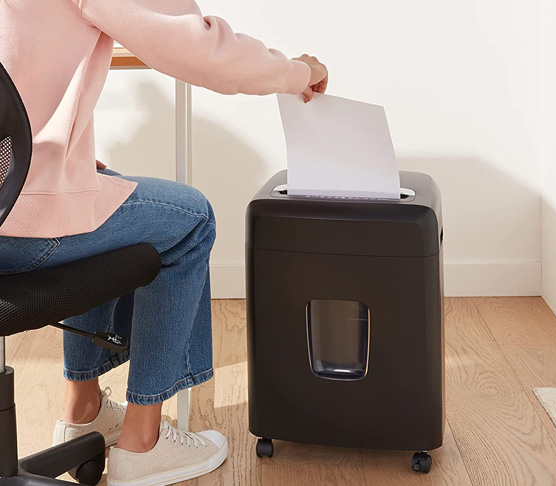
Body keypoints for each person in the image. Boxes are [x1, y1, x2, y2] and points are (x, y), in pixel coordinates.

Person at [0, 1, 328, 485]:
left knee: (100, 197)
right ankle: (143, 442)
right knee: (190, 220)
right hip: (17, 221)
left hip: (10, 193)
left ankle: (84, 410)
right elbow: (199, 46)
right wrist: (298, 73)